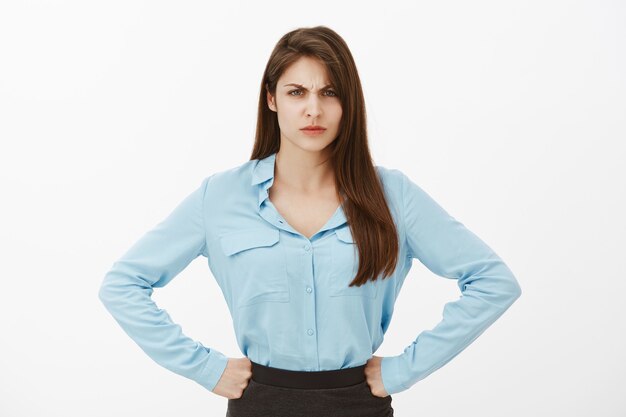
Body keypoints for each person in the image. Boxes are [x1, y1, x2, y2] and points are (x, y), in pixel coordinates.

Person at [98, 25, 522, 417]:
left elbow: (492, 281)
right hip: (258, 404)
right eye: (297, 92)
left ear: (347, 102)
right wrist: (205, 368)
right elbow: (123, 284)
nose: (313, 110)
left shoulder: (394, 196)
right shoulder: (221, 196)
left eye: (330, 93)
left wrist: (403, 371)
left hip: (359, 405)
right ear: (272, 99)